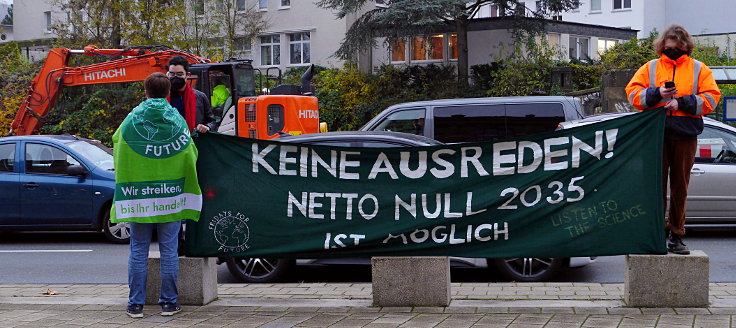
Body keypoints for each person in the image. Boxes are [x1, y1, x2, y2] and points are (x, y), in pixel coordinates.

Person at [111, 72, 203, 318]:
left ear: (145, 91)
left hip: (140, 197)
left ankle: (135, 305)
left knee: (138, 250)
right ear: (168, 93)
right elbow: (189, 153)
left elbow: (118, 144)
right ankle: (169, 303)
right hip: (170, 197)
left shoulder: (132, 120)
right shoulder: (177, 120)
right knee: (169, 251)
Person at [625, 24, 721, 255]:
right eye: (669, 48)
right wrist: (657, 93)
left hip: (685, 133)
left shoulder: (699, 69)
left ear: (686, 46)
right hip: (655, 132)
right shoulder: (650, 68)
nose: (673, 52)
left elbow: (712, 98)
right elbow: (632, 94)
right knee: (656, 186)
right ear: (662, 46)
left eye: (677, 48)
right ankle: (656, 233)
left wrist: (683, 102)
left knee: (681, 187)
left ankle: (676, 235)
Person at [166, 55, 216, 134]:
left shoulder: (200, 97)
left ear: (188, 75)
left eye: (179, 74)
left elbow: (212, 121)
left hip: (194, 141)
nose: (175, 77)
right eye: (172, 74)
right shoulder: (161, 98)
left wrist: (207, 127)